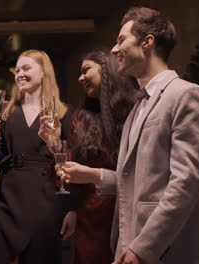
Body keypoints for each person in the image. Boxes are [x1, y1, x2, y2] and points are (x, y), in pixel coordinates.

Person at [61, 7, 199, 264]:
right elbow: (133, 180)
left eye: (121, 40)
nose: (113, 50)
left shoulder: (186, 95)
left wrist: (143, 248)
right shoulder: (137, 108)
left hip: (164, 252)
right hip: (127, 247)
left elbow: (185, 183)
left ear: (147, 42)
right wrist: (90, 174)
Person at [40, 49, 136, 264]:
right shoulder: (80, 118)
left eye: (86, 70)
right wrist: (53, 142)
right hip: (90, 219)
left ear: (107, 69)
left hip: (127, 213)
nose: (80, 78)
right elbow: (69, 174)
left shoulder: (134, 111)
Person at [0, 49, 77, 264]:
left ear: (44, 72)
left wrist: (72, 207)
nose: (19, 74)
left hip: (46, 199)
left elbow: (72, 162)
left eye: (26, 68)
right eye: (16, 70)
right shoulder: (7, 113)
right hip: (7, 198)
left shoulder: (65, 113)